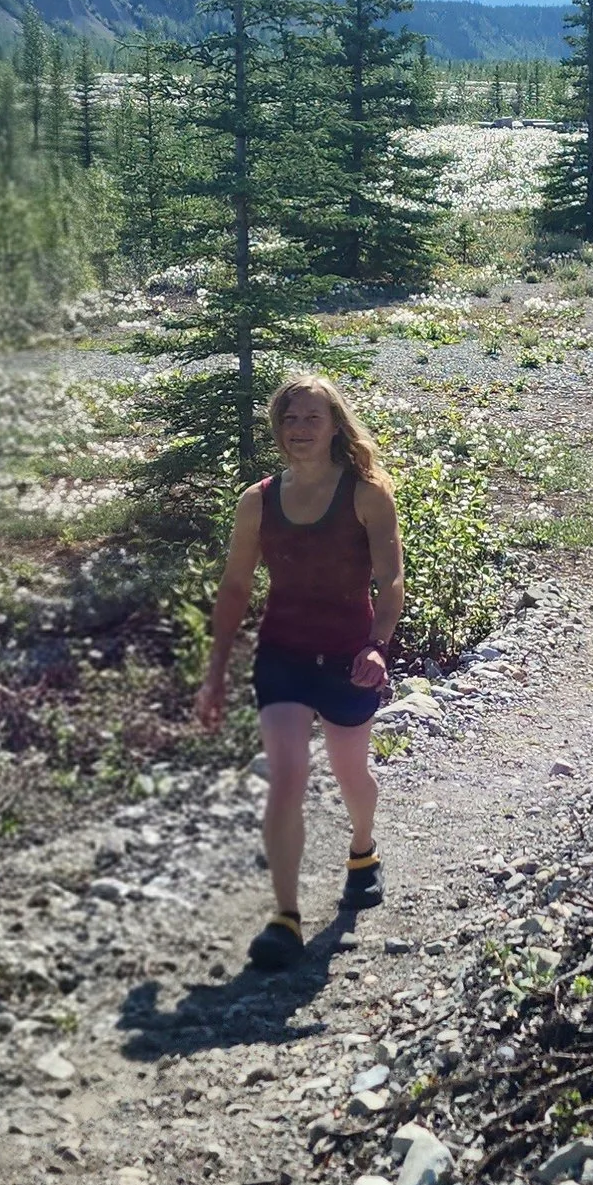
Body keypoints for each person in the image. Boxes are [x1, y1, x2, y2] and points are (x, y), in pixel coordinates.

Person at [195, 373, 406, 970]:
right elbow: (235, 587)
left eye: (313, 417)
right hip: (283, 655)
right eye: (289, 419)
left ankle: (362, 850)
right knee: (286, 777)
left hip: (347, 657)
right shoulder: (257, 501)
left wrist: (377, 646)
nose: (300, 429)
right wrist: (215, 671)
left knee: (351, 774)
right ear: (277, 429)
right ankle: (285, 917)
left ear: (336, 425)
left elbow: (391, 577)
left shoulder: (367, 493)